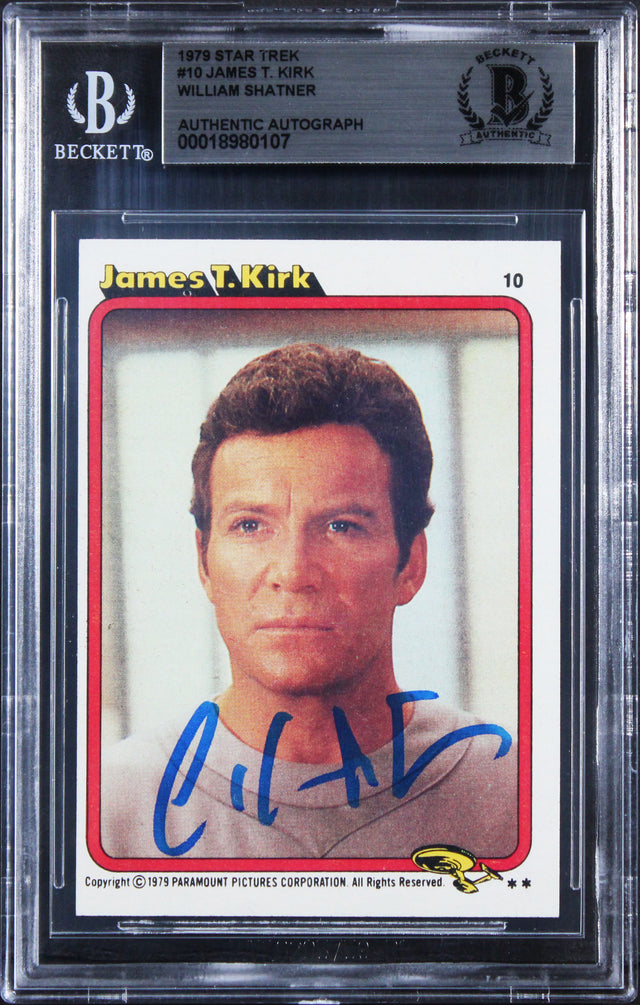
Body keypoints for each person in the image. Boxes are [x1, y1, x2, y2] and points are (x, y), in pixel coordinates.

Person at [101, 343, 517, 861]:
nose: (293, 573)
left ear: (411, 563)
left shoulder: (516, 794)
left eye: (342, 526)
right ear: (204, 562)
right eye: (250, 526)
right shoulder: (109, 809)